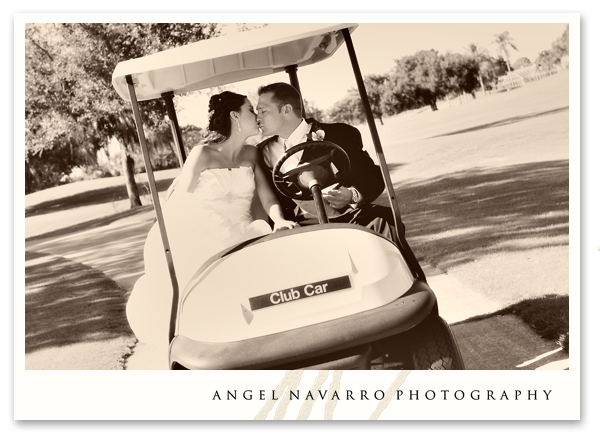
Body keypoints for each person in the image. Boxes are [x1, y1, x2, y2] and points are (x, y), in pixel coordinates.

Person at [126, 91, 297, 347]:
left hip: (243, 230)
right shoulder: (202, 154)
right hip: (206, 230)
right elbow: (181, 204)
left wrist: (279, 220)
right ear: (234, 115)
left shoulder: (251, 154)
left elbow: (267, 198)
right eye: (251, 109)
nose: (257, 116)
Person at [255, 82, 395, 238]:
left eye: (263, 111)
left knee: (383, 222)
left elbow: (371, 174)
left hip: (350, 218)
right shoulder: (262, 153)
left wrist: (352, 194)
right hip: (302, 228)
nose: (258, 118)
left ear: (286, 110)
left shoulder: (340, 133)